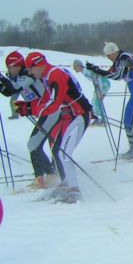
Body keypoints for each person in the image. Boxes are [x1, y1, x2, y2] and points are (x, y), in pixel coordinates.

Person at [18, 52, 92, 203]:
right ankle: (65, 184)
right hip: (68, 116)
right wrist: (28, 107)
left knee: (63, 153)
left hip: (80, 114)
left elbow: (54, 103)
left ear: (39, 64)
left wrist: (33, 109)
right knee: (56, 149)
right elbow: (45, 100)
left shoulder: (55, 74)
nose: (30, 73)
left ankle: (74, 190)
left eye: (31, 69)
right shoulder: (46, 76)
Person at [86, 42, 133, 162]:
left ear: (114, 52)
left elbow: (117, 76)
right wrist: (95, 69)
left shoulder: (124, 58)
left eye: (109, 55)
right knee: (127, 120)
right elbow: (111, 73)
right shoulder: (118, 60)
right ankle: (132, 148)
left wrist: (99, 71)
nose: (108, 57)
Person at [0, 51, 56, 188]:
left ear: (15, 65)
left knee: (33, 144)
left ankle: (41, 179)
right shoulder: (19, 76)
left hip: (50, 111)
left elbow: (15, 87)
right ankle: (50, 174)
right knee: (35, 144)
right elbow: (9, 92)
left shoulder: (27, 74)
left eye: (9, 67)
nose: (8, 70)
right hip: (44, 113)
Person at [73, 59, 111, 126]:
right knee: (97, 102)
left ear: (78, 66)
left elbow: (99, 78)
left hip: (103, 84)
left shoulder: (86, 71)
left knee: (96, 102)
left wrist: (100, 91)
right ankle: (101, 119)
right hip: (100, 85)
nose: (74, 69)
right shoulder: (84, 71)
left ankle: (101, 120)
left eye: (75, 67)